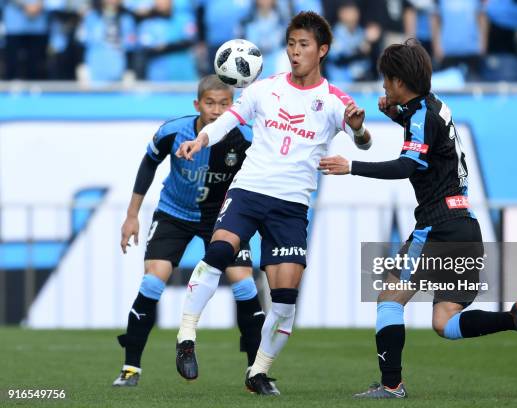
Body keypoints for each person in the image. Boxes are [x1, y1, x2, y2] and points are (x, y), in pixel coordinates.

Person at [318, 39, 517, 399]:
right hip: (465, 223)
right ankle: (513, 317)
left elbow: (407, 165)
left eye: (386, 79)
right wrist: (394, 112)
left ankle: (391, 385)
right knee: (445, 321)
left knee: (388, 299)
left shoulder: (420, 116)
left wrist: (352, 166)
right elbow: (427, 140)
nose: (383, 86)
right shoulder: (434, 107)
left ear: (399, 81)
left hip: (437, 225)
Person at [174, 11, 372, 396]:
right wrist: (201, 140)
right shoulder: (265, 89)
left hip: (291, 205)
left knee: (284, 299)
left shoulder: (335, 102)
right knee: (218, 252)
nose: (295, 52)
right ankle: (186, 336)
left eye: (304, 45)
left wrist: (360, 128)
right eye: (291, 44)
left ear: (323, 50)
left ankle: (258, 372)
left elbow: (364, 143)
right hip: (249, 190)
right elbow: (228, 120)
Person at [112, 75, 264, 386]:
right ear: (197, 105)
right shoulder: (173, 131)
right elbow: (148, 165)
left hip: (223, 219)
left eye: (224, 104)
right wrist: (132, 215)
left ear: (233, 106)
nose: (217, 111)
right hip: (174, 214)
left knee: (245, 286)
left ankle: (256, 372)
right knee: (153, 282)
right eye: (210, 103)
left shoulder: (244, 137)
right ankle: (130, 368)